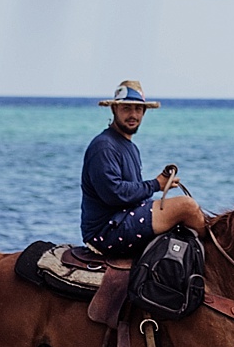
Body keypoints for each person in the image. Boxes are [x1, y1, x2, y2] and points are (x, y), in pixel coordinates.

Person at [81, 80, 205, 258]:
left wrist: (159, 183)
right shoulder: (104, 146)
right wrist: (155, 185)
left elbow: (130, 195)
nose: (133, 114)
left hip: (122, 219)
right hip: (106, 231)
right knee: (186, 207)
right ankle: (211, 258)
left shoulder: (129, 146)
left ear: (144, 112)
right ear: (114, 110)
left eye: (138, 109)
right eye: (126, 108)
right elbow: (114, 194)